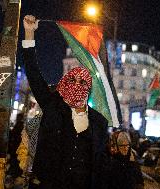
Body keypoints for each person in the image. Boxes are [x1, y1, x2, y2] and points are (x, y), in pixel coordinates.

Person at [22, 15, 109, 189]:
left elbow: (100, 163)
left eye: (83, 82)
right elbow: (33, 73)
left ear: (88, 87)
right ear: (64, 82)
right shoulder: (52, 105)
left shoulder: (99, 122)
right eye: (72, 80)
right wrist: (29, 34)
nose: (77, 85)